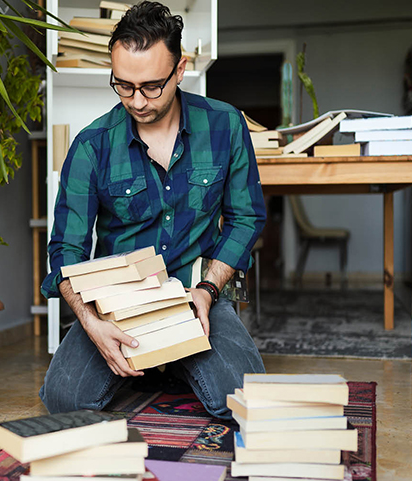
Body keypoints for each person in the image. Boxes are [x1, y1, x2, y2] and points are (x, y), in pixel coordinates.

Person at [39, 1, 266, 420]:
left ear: (179, 70)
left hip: (197, 294)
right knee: (64, 400)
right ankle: (162, 359)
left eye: (151, 86)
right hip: (116, 306)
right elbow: (65, 249)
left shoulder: (226, 125)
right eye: (123, 85)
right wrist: (91, 323)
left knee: (241, 401)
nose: (137, 101)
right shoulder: (92, 145)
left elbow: (246, 217)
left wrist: (208, 289)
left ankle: (172, 361)